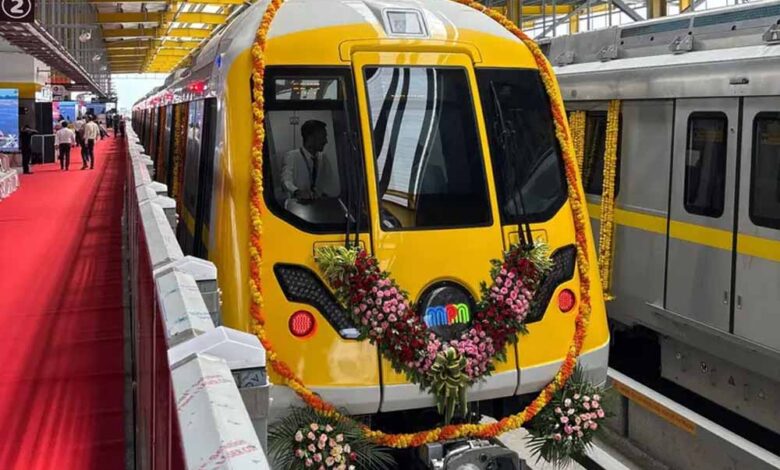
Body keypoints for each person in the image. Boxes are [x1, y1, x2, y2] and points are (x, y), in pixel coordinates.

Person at [281, 120, 338, 205]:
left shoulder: (323, 158)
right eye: (323, 137)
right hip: (298, 205)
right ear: (310, 138)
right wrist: (297, 191)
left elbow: (330, 182)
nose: (326, 141)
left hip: (319, 205)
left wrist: (326, 193)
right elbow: (285, 181)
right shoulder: (292, 156)